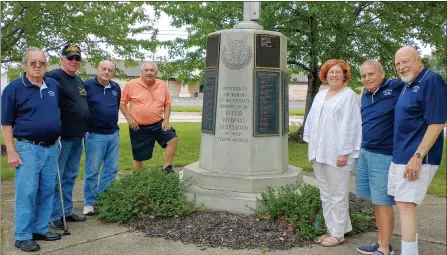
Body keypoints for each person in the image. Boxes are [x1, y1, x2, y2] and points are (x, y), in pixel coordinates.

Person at [1, 48, 62, 252]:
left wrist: (56, 128)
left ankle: (40, 229)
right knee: (27, 192)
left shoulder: (53, 85)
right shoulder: (14, 88)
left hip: (51, 148)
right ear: (25, 64)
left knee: (47, 190)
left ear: (46, 65)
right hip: (28, 148)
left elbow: (54, 110)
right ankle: (23, 235)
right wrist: (11, 150)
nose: (38, 66)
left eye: (42, 63)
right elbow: (7, 123)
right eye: (33, 62)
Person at [390, 46, 447, 255]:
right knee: (403, 204)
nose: (401, 67)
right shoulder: (408, 84)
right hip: (401, 154)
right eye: (397, 64)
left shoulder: (431, 81)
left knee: (405, 205)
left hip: (417, 157)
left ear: (418, 60)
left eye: (405, 61)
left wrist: (418, 156)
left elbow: (437, 123)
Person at [303, 59, 362, 247]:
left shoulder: (349, 96)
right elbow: (312, 121)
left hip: (337, 153)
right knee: (326, 194)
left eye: (338, 72)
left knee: (338, 195)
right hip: (319, 151)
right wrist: (311, 146)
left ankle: (338, 234)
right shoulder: (321, 95)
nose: (334, 75)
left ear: (345, 75)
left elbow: (351, 126)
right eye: (330, 72)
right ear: (325, 75)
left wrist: (344, 152)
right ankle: (332, 229)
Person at [355, 60, 405, 255]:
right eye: (364, 75)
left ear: (382, 73)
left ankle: (384, 249)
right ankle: (382, 241)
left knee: (383, 201)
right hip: (366, 152)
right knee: (375, 201)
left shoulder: (395, 87)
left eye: (371, 74)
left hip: (383, 155)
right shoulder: (366, 95)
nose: (367, 78)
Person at [47, 44, 89, 229]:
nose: (74, 61)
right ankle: (54, 215)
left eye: (77, 58)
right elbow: (47, 104)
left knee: (70, 176)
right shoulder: (53, 77)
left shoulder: (78, 79)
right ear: (62, 58)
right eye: (70, 57)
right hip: (62, 138)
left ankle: (67, 210)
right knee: (57, 177)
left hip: (77, 137)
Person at [120, 61, 178, 172]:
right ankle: (139, 178)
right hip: (138, 126)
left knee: (173, 139)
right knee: (139, 155)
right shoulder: (131, 84)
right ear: (142, 72)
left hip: (158, 124)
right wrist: (129, 119)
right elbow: (122, 103)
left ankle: (166, 167)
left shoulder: (162, 85)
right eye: (146, 70)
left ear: (156, 72)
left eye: (152, 70)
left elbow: (167, 103)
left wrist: (166, 120)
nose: (149, 72)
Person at [82, 60, 121, 215]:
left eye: (110, 70)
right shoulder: (87, 86)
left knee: (111, 169)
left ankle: (102, 199)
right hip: (94, 135)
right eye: (104, 69)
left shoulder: (116, 88)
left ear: (113, 73)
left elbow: (116, 106)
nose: (106, 72)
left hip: (113, 134)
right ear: (97, 69)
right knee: (92, 170)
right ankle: (89, 203)